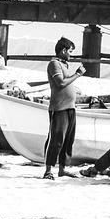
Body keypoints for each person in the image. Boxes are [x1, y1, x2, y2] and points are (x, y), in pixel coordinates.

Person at [43, 36, 85, 179]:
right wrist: (77, 75)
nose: (71, 55)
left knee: (68, 140)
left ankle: (62, 169)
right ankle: (48, 170)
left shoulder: (64, 64)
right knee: (56, 139)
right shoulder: (54, 64)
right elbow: (60, 83)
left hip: (70, 107)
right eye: (70, 52)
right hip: (59, 108)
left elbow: (67, 83)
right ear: (63, 50)